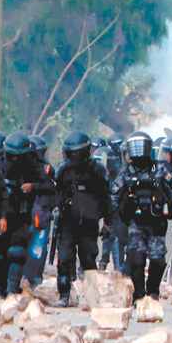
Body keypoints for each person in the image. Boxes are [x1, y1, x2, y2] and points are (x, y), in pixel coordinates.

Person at [110, 132, 172, 301]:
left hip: (156, 223)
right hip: (135, 223)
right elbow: (114, 199)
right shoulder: (126, 173)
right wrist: (112, 223)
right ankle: (138, 294)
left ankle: (153, 292)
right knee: (136, 259)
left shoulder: (159, 171)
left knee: (158, 260)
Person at [52, 131, 110, 306]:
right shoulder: (64, 170)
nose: (74, 156)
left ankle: (91, 297)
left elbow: (107, 198)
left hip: (89, 222)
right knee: (64, 258)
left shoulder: (97, 171)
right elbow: (56, 193)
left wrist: (108, 222)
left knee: (88, 259)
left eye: (78, 152)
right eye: (72, 152)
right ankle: (64, 296)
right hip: (68, 221)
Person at [0, 132, 55, 296]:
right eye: (12, 156)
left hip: (22, 213)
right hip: (1, 213)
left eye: (18, 157)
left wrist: (33, 186)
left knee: (18, 251)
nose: (15, 160)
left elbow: (50, 186)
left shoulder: (33, 165)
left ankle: (11, 289)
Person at [97, 132, 126, 270]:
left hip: (117, 211)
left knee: (115, 237)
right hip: (108, 209)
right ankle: (103, 262)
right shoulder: (101, 171)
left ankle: (118, 267)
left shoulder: (119, 171)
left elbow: (115, 195)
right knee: (107, 236)